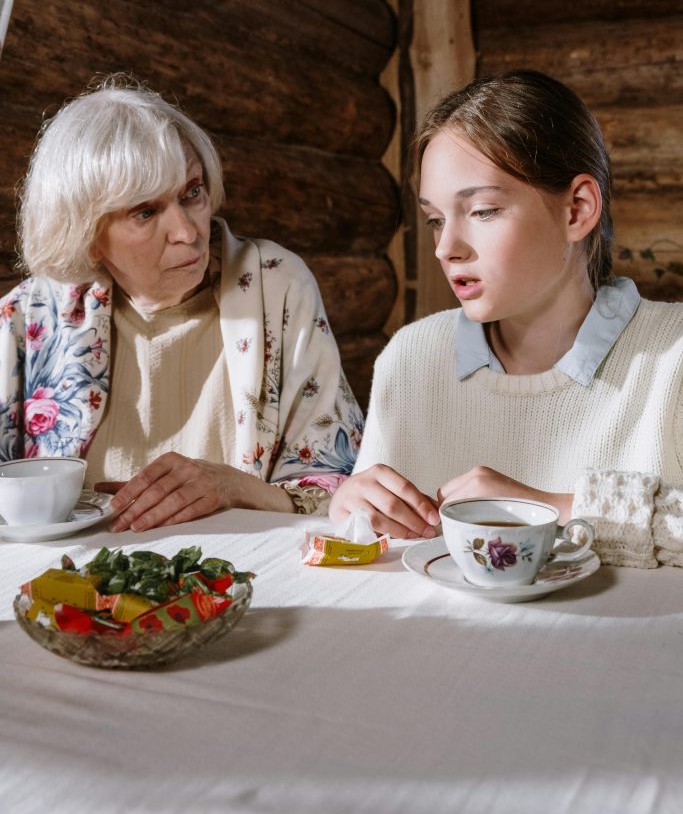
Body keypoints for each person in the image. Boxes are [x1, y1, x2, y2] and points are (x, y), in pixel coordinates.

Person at [330, 70, 683, 568]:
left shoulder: (674, 355)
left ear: (577, 210)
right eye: (435, 219)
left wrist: (549, 511)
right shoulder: (410, 357)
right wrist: (355, 508)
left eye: (483, 211)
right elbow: (374, 546)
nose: (446, 249)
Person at [0, 77, 363, 530]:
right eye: (146, 212)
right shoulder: (30, 315)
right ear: (89, 237)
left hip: (243, 576)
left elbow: (341, 484)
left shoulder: (277, 285)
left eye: (191, 192)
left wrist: (233, 486)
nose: (189, 232)